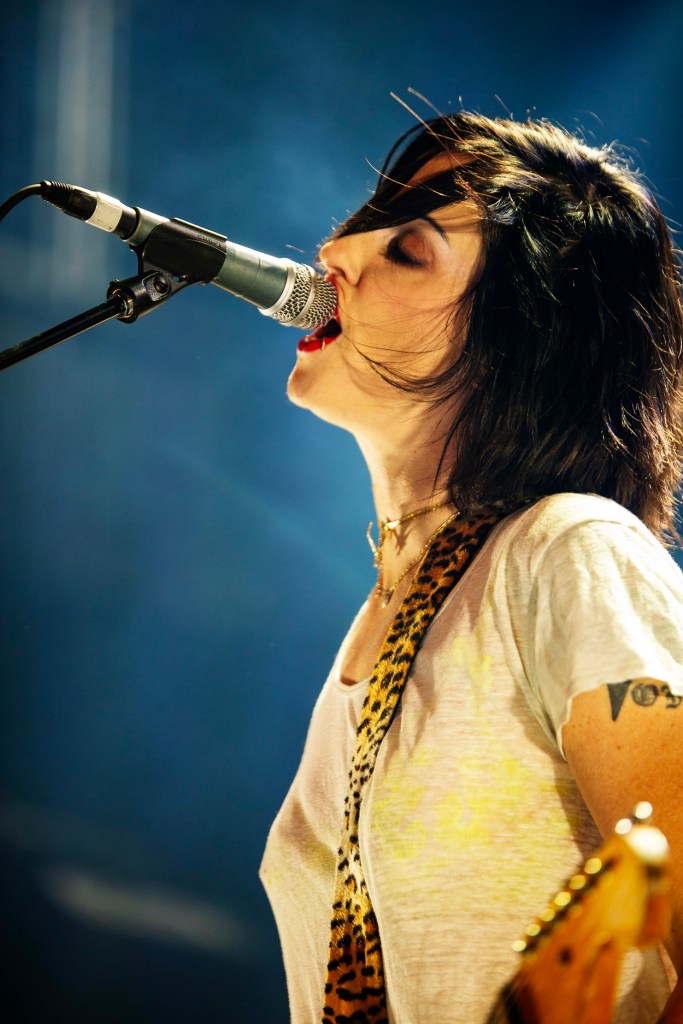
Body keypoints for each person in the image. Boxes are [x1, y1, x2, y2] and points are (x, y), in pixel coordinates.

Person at [259, 110, 683, 1024]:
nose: (334, 252)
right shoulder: (399, 605)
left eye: (407, 252)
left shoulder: (568, 551)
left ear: (515, 343)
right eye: (367, 222)